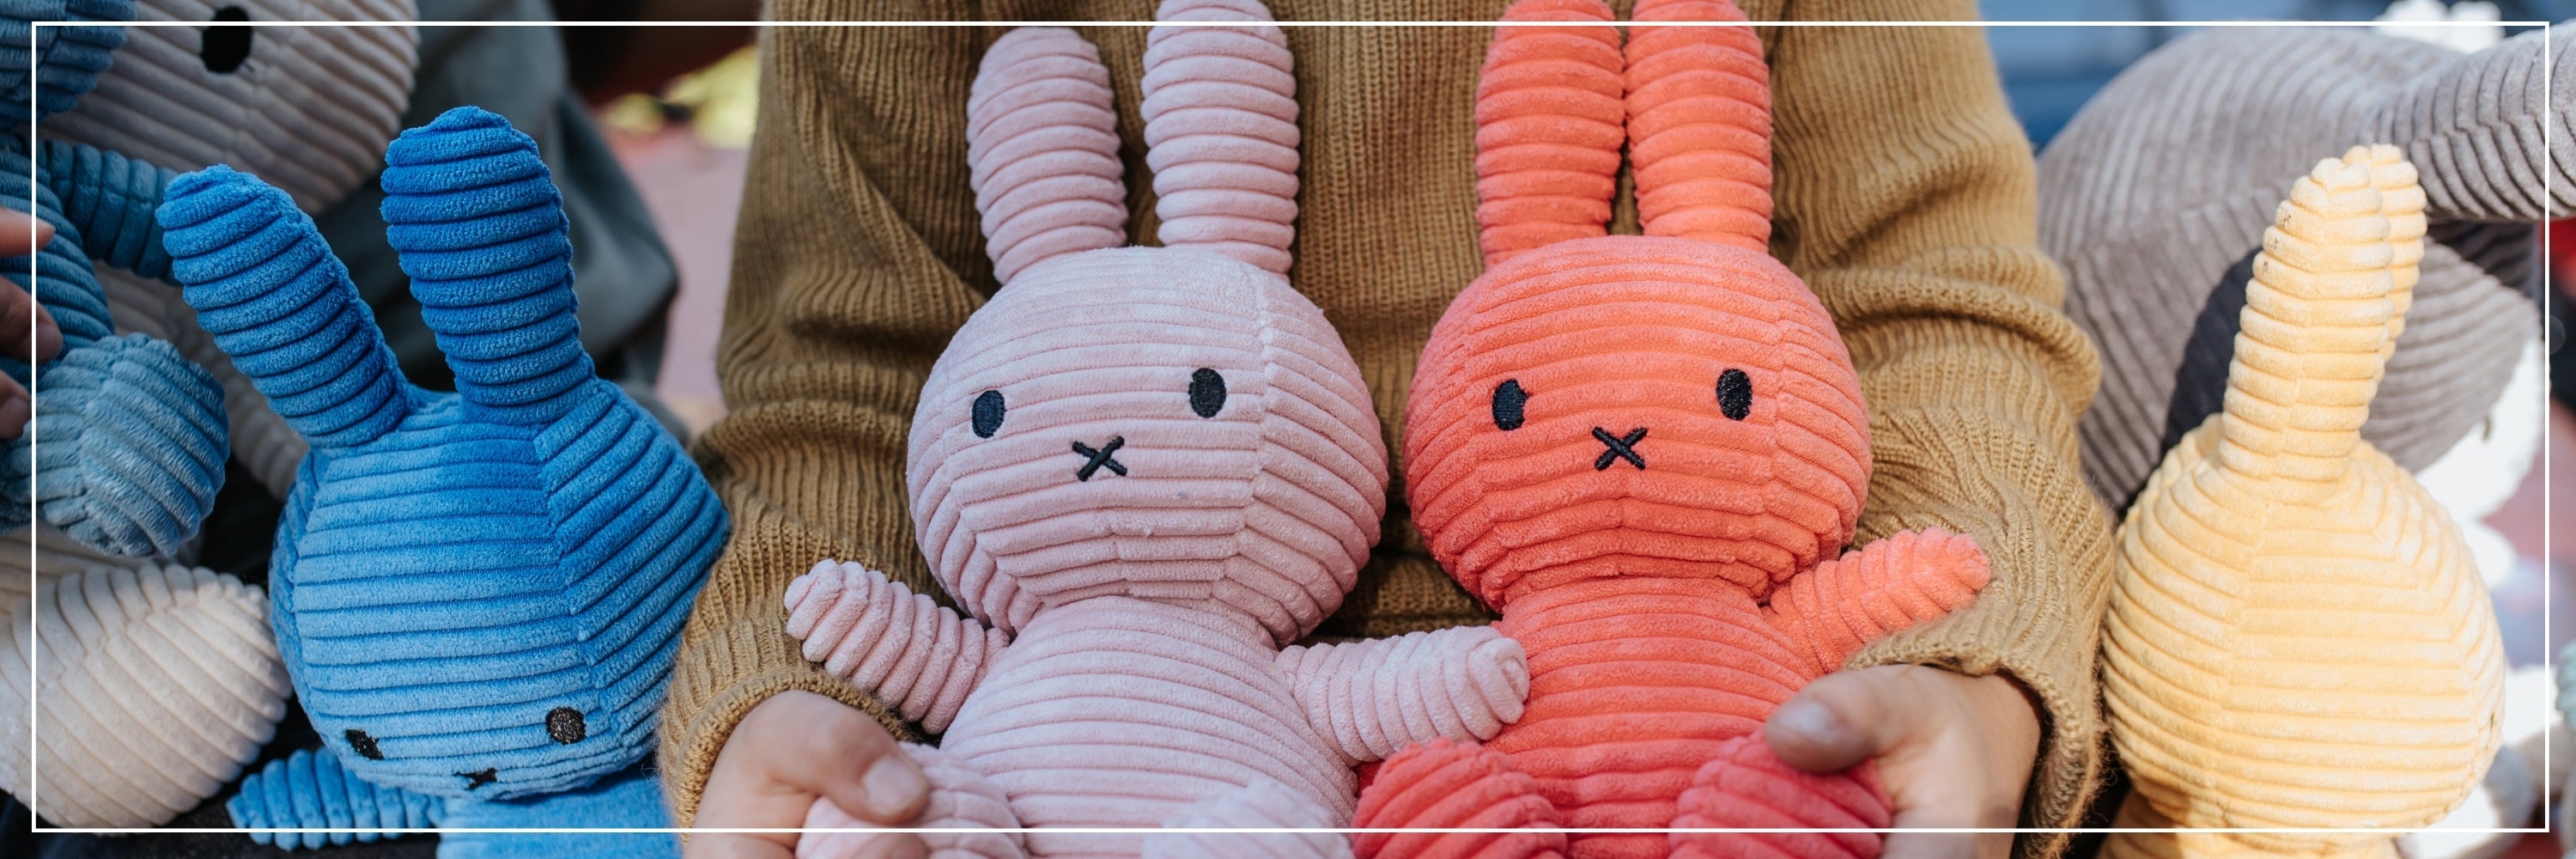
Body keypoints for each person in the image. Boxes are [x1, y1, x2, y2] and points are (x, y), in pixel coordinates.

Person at [662, 3, 2116, 859]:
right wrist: (789, 707)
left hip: (1739, 744)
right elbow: (844, 380)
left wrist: (1971, 687)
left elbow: (1931, 311)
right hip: (1062, 769)